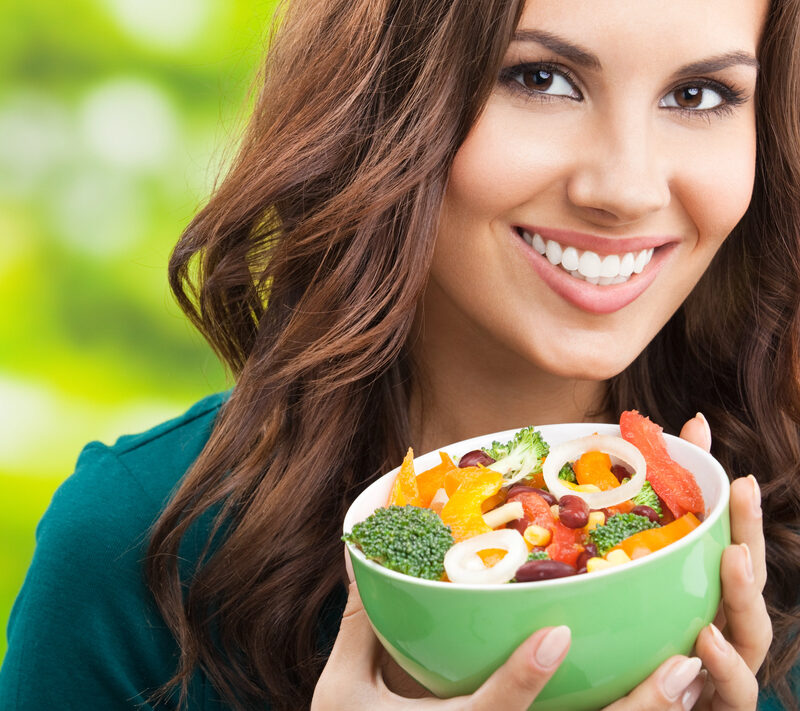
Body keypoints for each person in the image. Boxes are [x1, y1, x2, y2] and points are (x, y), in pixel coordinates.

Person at [1, 0, 798, 709]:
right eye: (542, 78)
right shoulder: (132, 552)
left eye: (698, 95)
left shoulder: (775, 539)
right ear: (385, 96)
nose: (624, 187)